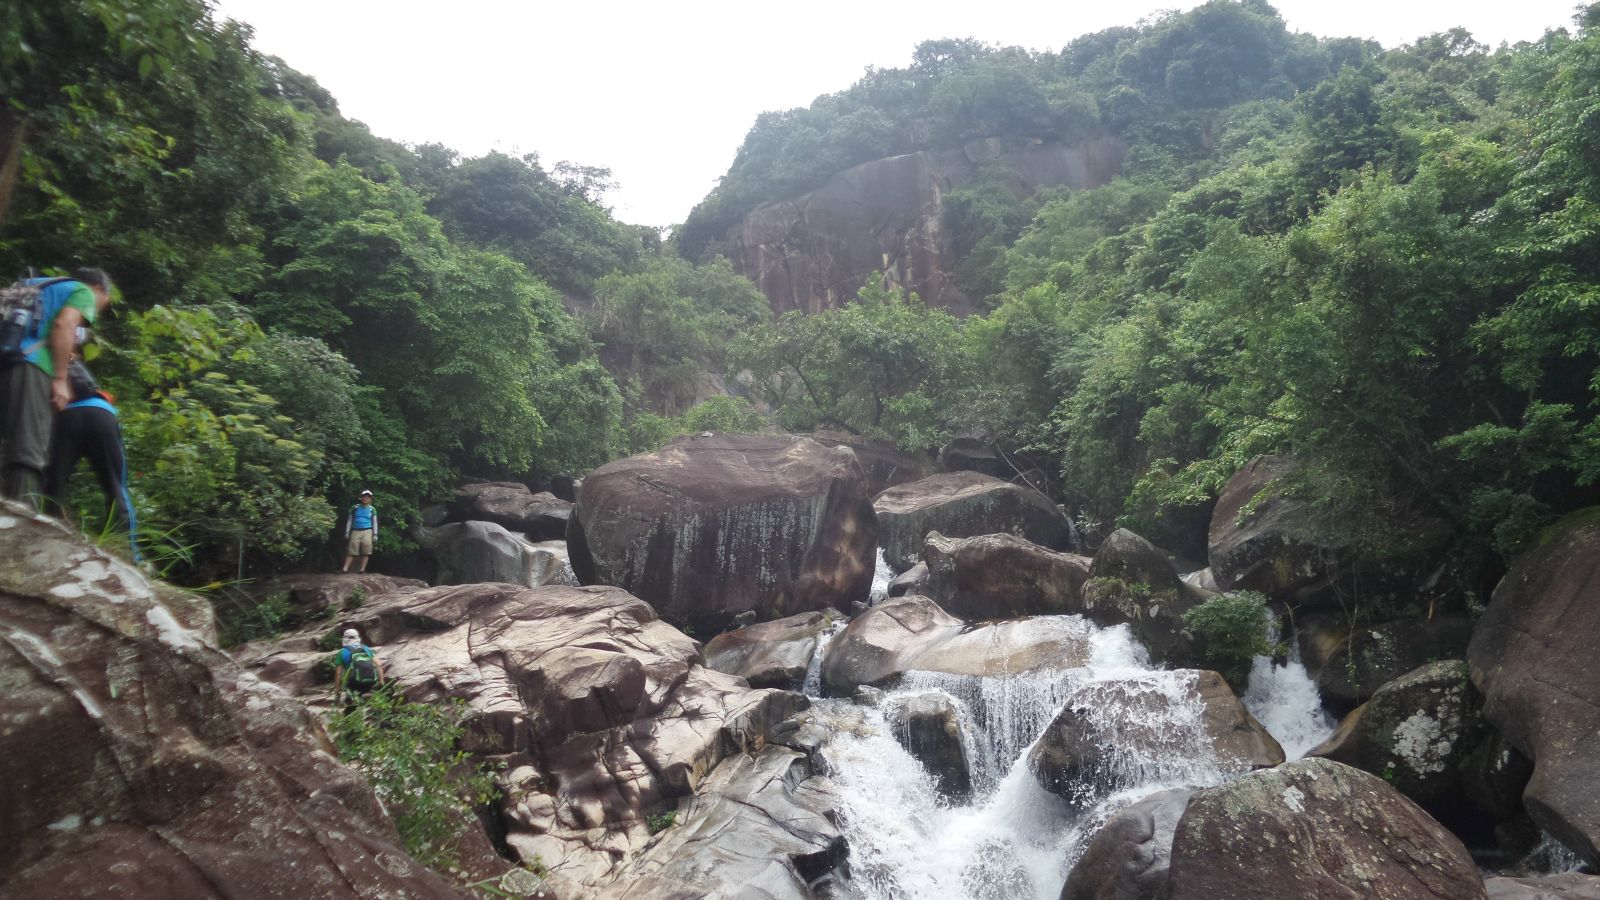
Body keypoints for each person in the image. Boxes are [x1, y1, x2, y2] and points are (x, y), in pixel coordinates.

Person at [0, 268, 113, 503]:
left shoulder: (35, 285)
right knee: (28, 448)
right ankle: (22, 515)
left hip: (6, 363)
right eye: (104, 303)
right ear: (100, 290)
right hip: (31, 365)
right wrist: (60, 378)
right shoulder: (82, 291)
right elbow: (64, 324)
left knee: (7, 443)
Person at [43, 356, 141, 562]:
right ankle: (129, 553)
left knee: (53, 487)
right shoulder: (70, 358)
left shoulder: (42, 358)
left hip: (65, 417)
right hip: (101, 413)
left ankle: (48, 542)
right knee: (116, 486)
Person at [332, 627, 386, 705]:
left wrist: (337, 690)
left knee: (350, 700)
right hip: (370, 681)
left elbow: (338, 674)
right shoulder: (366, 649)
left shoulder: (342, 652)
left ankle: (352, 702)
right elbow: (379, 665)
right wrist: (381, 681)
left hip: (354, 684)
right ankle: (368, 697)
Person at [342, 489, 378, 572]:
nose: (366, 498)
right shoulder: (355, 507)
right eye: (364, 497)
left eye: (368, 497)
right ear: (361, 497)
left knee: (366, 550)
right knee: (352, 549)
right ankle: (345, 568)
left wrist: (375, 534)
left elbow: (374, 522)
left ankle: (362, 569)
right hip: (355, 530)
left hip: (367, 531)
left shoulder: (372, 509)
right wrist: (347, 532)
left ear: (371, 499)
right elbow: (350, 520)